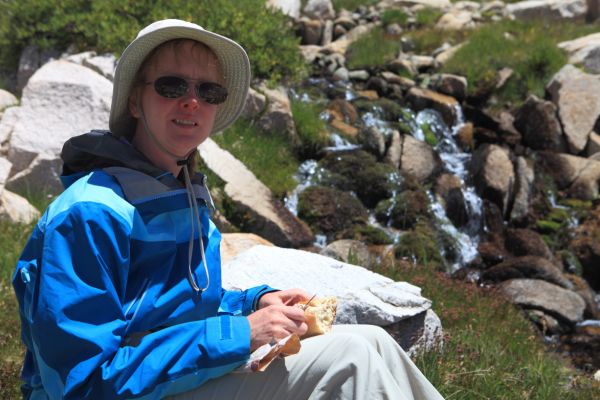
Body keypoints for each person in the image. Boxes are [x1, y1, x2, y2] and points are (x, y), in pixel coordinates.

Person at [12, 19, 445, 400]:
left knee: (372, 341)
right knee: (349, 359)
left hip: (169, 380)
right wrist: (241, 335)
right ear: (133, 101)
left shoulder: (183, 193)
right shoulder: (90, 216)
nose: (192, 102)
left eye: (209, 90)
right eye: (172, 86)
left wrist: (256, 302)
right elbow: (83, 385)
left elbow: (185, 308)